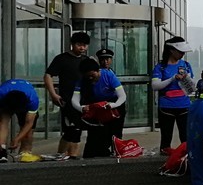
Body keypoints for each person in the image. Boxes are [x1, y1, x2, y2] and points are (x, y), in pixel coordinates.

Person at [44, 31, 91, 159]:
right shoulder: (62, 59)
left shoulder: (86, 61)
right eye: (79, 45)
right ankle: (68, 156)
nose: (82, 48)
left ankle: (65, 155)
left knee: (76, 130)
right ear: (72, 44)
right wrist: (53, 94)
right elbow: (48, 75)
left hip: (83, 101)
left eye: (85, 45)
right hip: (67, 101)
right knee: (72, 129)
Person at [71, 57, 127, 157]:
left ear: (98, 71)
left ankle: (116, 152)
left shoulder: (108, 75)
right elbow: (74, 99)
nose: (90, 78)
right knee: (95, 134)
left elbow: (122, 96)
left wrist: (112, 105)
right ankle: (96, 154)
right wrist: (81, 108)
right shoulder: (82, 80)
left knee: (114, 133)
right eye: (88, 76)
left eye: (93, 75)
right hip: (96, 107)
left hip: (114, 105)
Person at [151, 36, 195, 152]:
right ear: (171, 50)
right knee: (166, 137)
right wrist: (172, 79)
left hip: (184, 105)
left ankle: (186, 159)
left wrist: (185, 79)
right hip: (166, 106)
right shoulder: (160, 67)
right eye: (180, 52)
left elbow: (191, 89)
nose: (182, 54)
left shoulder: (185, 65)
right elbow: (155, 86)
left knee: (185, 137)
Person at [0, 78, 40, 162]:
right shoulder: (1, 94)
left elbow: (29, 123)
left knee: (28, 130)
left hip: (24, 101)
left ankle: (25, 152)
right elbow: (3, 124)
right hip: (5, 99)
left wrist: (17, 139)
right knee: (2, 123)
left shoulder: (33, 100)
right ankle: (1, 151)